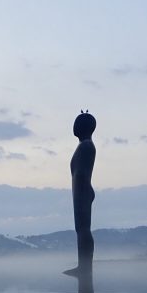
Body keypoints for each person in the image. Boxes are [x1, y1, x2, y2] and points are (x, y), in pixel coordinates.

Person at [65, 111, 96, 276]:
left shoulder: (86, 146)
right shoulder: (84, 145)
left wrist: (83, 189)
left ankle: (85, 267)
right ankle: (82, 266)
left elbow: (82, 172)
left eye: (77, 123)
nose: (74, 127)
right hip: (80, 189)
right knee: (81, 228)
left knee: (83, 228)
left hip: (82, 189)